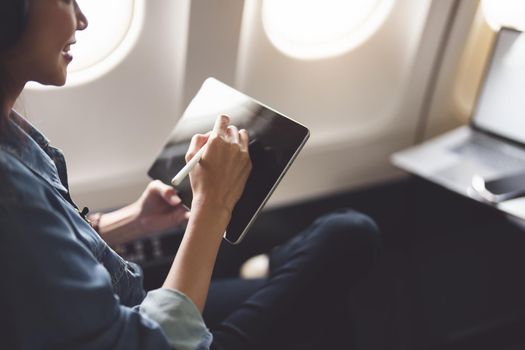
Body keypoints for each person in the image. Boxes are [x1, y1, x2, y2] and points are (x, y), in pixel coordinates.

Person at [0, 1, 381, 349]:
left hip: (126, 305)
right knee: (348, 235)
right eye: (66, 0)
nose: (81, 20)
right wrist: (213, 206)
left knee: (322, 268)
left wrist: (131, 220)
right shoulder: (8, 188)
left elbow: (40, 258)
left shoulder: (14, 136)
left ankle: (271, 272)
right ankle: (274, 270)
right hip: (148, 334)